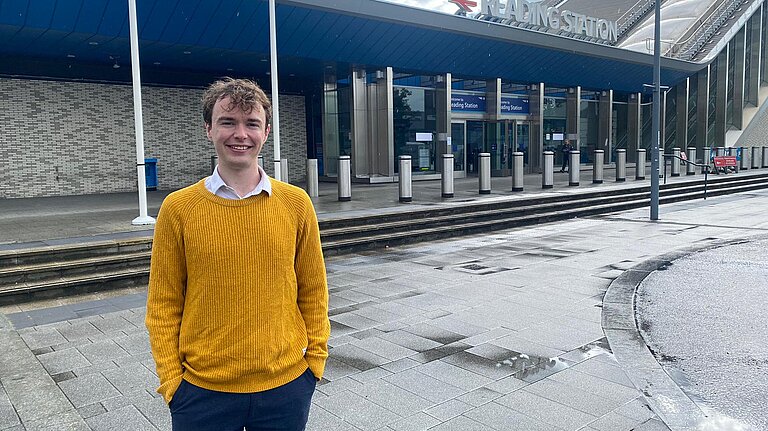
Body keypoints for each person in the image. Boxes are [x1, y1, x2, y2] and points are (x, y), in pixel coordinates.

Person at [146, 77, 330, 431]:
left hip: (286, 387)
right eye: (227, 122)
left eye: (251, 123)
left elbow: (313, 290)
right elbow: (163, 302)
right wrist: (172, 381)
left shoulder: (296, 203)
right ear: (208, 128)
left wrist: (314, 365)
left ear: (266, 131)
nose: (240, 134)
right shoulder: (178, 208)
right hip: (201, 392)